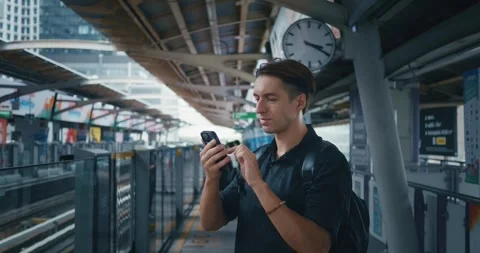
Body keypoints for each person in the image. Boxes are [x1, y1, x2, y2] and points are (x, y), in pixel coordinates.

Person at [199, 59, 352, 253]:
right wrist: (211, 179)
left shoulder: (327, 161)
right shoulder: (259, 157)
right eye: (257, 99)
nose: (259, 109)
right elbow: (210, 223)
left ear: (299, 102)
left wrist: (258, 184)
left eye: (271, 99)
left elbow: (317, 246)